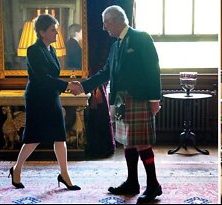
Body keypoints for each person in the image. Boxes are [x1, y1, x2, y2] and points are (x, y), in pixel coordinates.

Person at [69, 5, 162, 203]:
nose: (104, 28)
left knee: (142, 142)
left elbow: (153, 69)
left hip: (139, 98)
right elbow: (105, 72)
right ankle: (132, 182)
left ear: (115, 21)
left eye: (105, 23)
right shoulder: (115, 45)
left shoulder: (141, 38)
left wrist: (155, 100)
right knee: (127, 142)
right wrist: (83, 86)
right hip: (121, 101)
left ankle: (153, 185)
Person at [9, 14, 80, 190]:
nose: (56, 33)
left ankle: (64, 174)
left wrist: (68, 84)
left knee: (60, 136)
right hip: (37, 99)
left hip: (52, 97)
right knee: (33, 138)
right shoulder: (33, 50)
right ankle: (16, 169)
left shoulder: (52, 50)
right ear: (42, 32)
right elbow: (43, 78)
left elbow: (53, 76)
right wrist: (67, 85)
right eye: (53, 30)